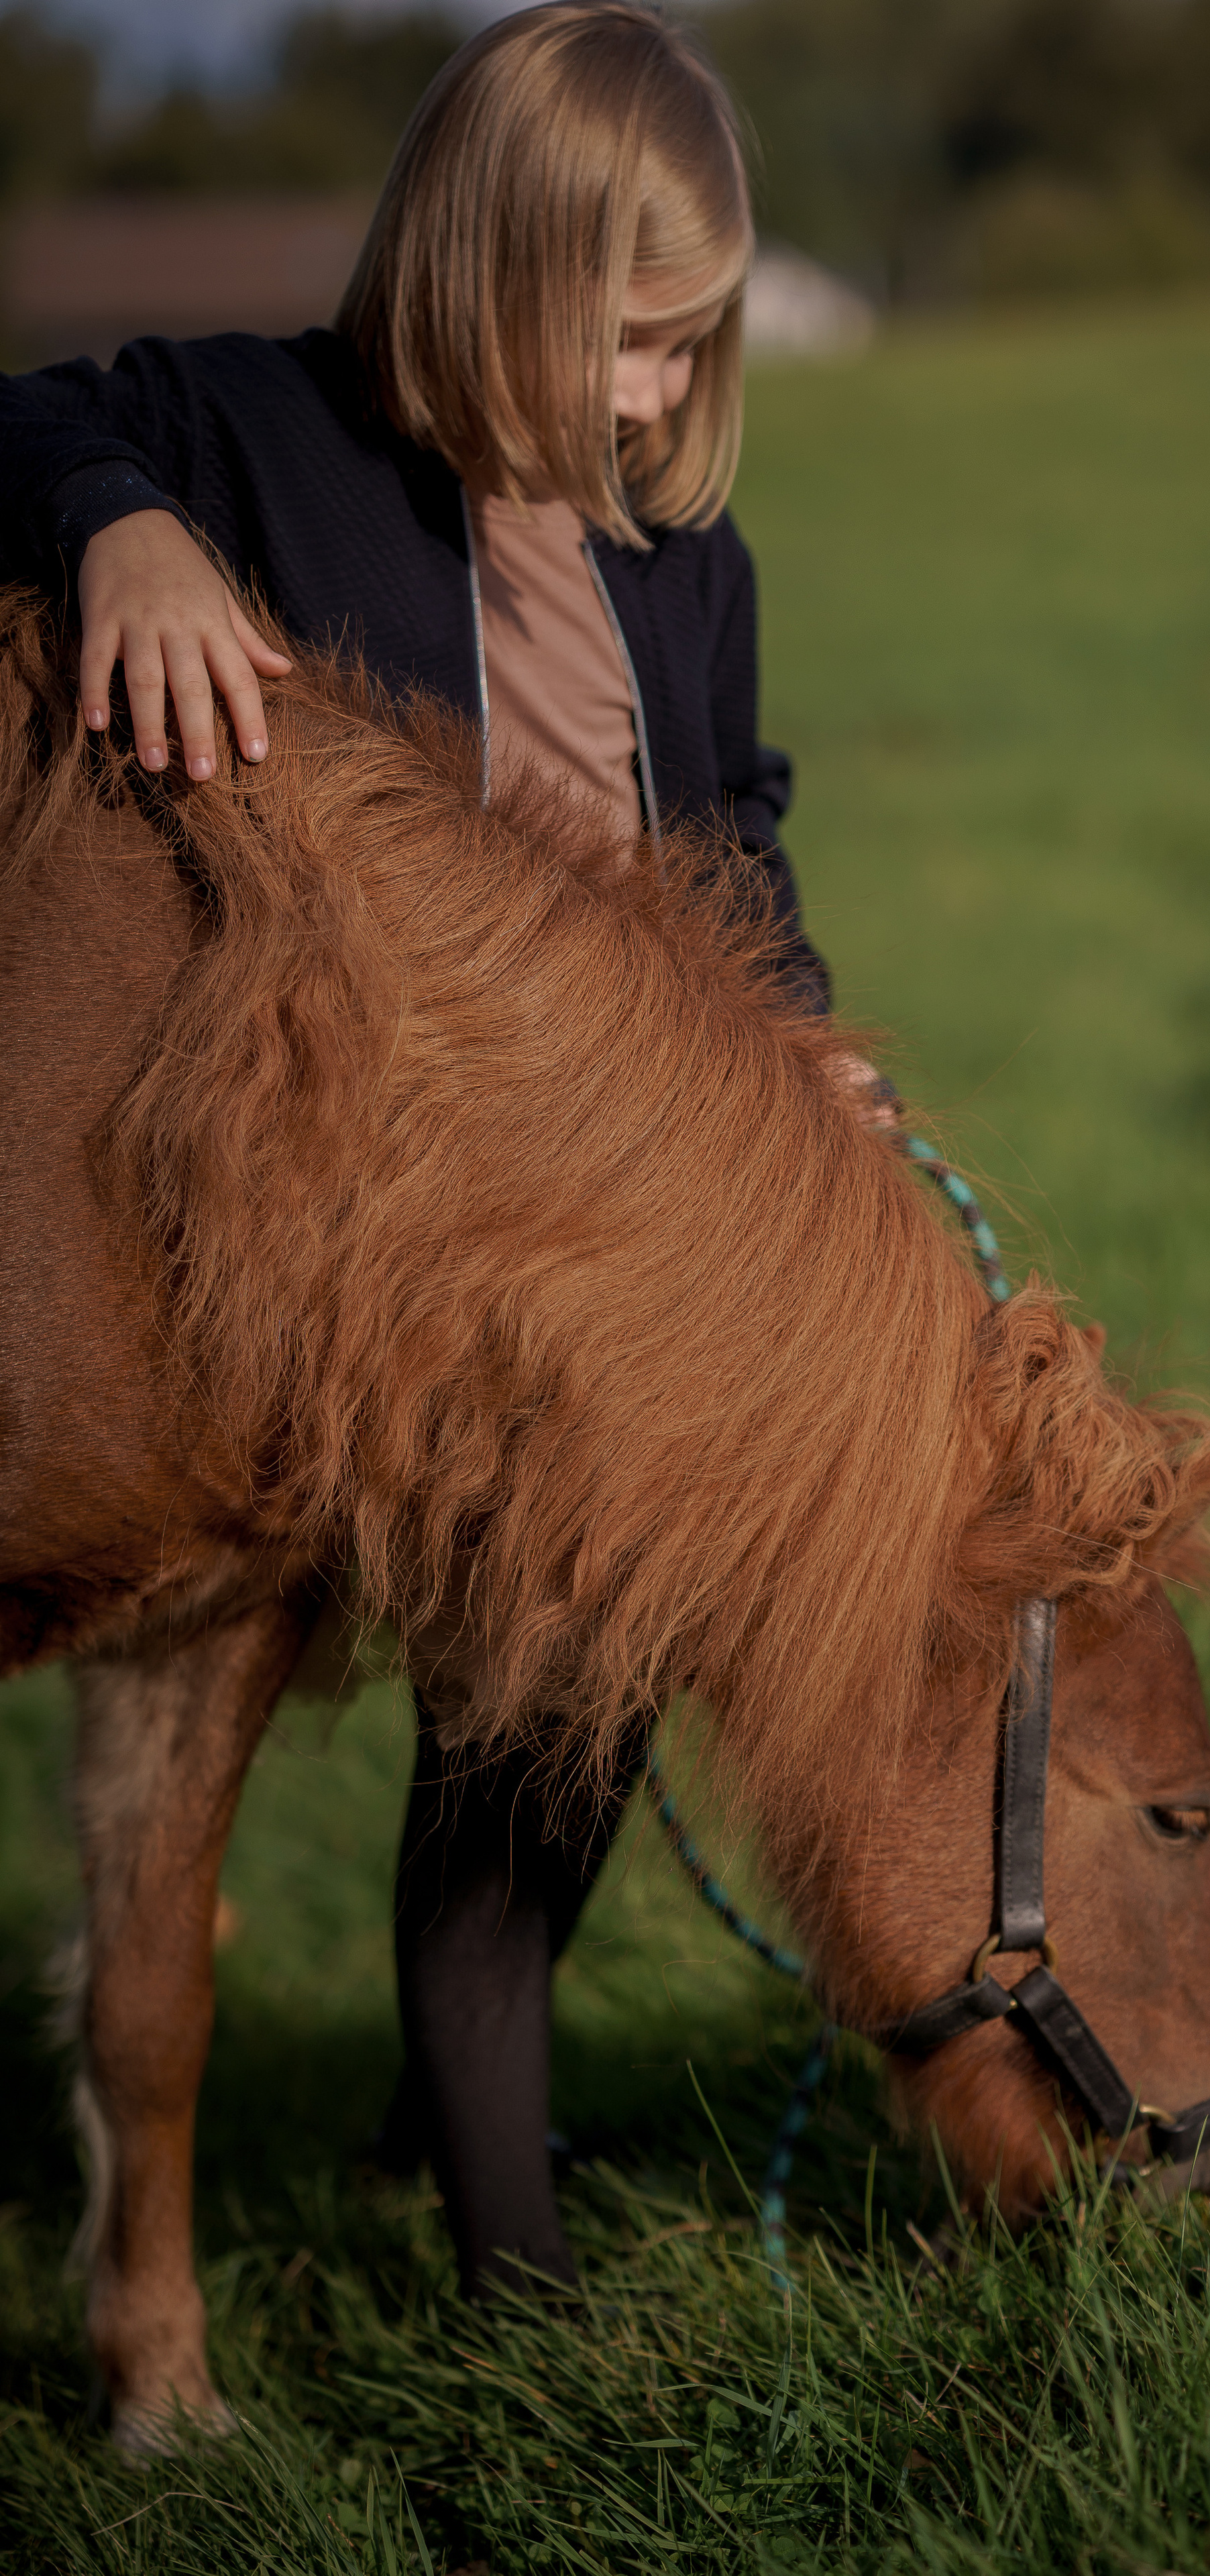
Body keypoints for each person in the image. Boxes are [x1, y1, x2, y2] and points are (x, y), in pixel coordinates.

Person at [0, 1, 837, 2298]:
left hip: (583, 1229)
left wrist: (796, 1051)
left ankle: (484, 2171)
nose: (657, 397)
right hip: (348, 1230)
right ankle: (494, 2239)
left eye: (692, 344)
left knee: (569, 1682)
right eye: (628, 338)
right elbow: (25, 412)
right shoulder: (257, 433)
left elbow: (732, 829)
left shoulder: (685, 551)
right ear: (487, 272)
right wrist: (122, 531)